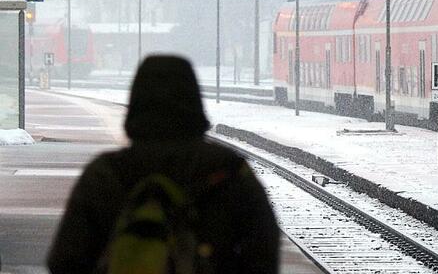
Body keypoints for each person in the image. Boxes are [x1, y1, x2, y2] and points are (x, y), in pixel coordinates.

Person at [47, 55, 280, 274]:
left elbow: (64, 259)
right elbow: (264, 253)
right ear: (194, 102)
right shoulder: (229, 171)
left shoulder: (104, 173)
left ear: (135, 104)